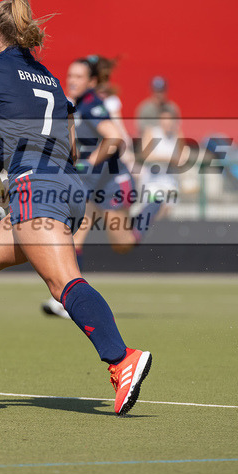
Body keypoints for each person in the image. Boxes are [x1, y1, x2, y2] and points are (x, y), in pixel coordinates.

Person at [0, 0, 152, 416]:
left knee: (63, 284)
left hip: (35, 186)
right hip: (65, 183)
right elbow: (62, 134)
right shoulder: (48, 77)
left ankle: (122, 359)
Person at [39, 56, 164, 319]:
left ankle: (153, 207)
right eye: (70, 75)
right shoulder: (76, 103)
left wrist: (89, 162)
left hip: (113, 183)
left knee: (123, 244)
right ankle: (67, 301)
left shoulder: (93, 104)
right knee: (74, 238)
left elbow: (115, 137)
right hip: (91, 185)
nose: (71, 81)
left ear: (92, 82)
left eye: (78, 77)